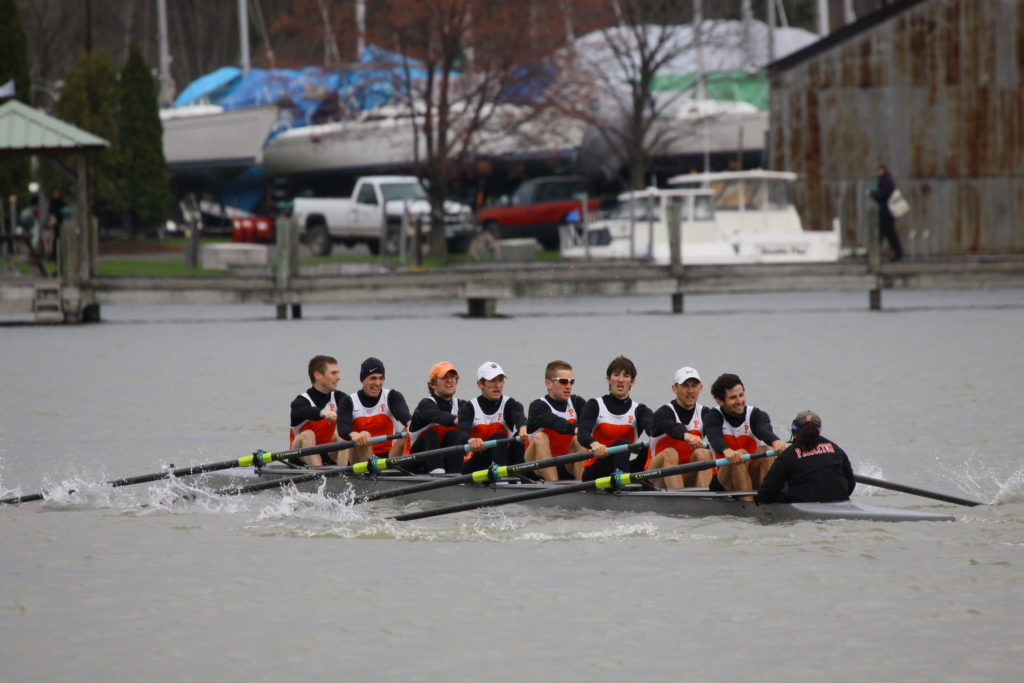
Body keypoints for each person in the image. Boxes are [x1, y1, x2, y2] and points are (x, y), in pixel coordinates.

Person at [703, 373, 786, 500]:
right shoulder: (712, 417)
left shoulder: (756, 414)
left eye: (741, 395)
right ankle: (748, 505)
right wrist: (727, 451)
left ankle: (766, 500)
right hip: (723, 482)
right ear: (719, 400)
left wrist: (776, 442)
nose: (739, 401)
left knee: (765, 450)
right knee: (740, 454)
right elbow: (714, 438)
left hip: (750, 475)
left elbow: (763, 430)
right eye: (733, 398)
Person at [577, 355, 654, 481]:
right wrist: (594, 444)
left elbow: (653, 428)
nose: (621, 380)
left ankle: (636, 481)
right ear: (608, 379)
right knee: (623, 443)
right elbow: (582, 433)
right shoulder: (595, 405)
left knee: (650, 446)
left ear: (632, 381)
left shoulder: (640, 410)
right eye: (616, 375)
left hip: (621, 467)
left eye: (626, 376)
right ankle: (624, 483)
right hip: (595, 472)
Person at [756, 410, 856, 504]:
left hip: (804, 502)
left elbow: (765, 495)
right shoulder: (836, 449)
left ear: (794, 428)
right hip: (840, 500)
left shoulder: (788, 455)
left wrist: (759, 499)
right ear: (819, 429)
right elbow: (851, 484)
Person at [645, 366, 714, 489]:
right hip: (657, 475)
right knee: (670, 453)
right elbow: (672, 427)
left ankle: (704, 500)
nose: (690, 390)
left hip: (687, 474)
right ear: (675, 388)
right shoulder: (663, 413)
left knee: (703, 453)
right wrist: (688, 436)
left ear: (700, 388)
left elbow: (717, 435)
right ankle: (680, 499)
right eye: (685, 386)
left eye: (694, 385)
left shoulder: (706, 413)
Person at [524, 360, 587, 481]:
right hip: (536, 465)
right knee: (540, 437)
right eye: (563, 381)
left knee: (579, 439)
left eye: (571, 382)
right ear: (548, 383)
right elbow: (554, 421)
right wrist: (575, 429)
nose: (568, 386)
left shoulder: (577, 402)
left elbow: (594, 421)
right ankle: (553, 488)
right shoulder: (538, 406)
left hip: (566, 460)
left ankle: (582, 489)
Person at [459, 362, 528, 472]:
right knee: (500, 436)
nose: (498, 385)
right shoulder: (468, 408)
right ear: (480, 384)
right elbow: (461, 433)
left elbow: (519, 416)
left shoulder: (510, 404)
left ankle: (521, 477)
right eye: (492, 380)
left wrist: (523, 428)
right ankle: (504, 479)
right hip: (476, 463)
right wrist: (470, 439)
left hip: (505, 458)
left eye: (500, 380)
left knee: (520, 439)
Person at [288, 355, 351, 467]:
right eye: (333, 373)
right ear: (318, 375)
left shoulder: (339, 398)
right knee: (308, 434)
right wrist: (323, 413)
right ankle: (318, 477)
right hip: (299, 456)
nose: (338, 377)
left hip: (326, 453)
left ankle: (343, 476)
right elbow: (305, 411)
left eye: (338, 373)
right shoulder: (300, 402)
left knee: (343, 434)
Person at [406, 361, 467, 473]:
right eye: (444, 377)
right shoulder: (425, 404)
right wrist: (456, 420)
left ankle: (456, 477)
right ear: (432, 384)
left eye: (452, 377)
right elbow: (437, 415)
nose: (449, 380)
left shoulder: (462, 405)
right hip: (415, 464)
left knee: (454, 435)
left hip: (447, 463)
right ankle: (438, 472)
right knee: (432, 434)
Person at [346, 357, 411, 462]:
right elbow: (342, 426)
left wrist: (410, 423)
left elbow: (404, 415)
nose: (378, 383)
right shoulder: (349, 401)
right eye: (373, 378)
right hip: (360, 456)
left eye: (381, 378)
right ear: (363, 379)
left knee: (409, 428)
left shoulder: (392, 396)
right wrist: (354, 434)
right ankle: (372, 471)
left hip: (390, 456)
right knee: (364, 434)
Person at [870, 164, 904, 261]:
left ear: (883, 170)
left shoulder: (886, 181)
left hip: (887, 212)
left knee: (885, 233)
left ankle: (874, 252)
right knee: (888, 234)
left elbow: (882, 195)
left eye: (878, 171)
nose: (876, 173)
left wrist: (873, 194)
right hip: (887, 212)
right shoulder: (885, 180)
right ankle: (897, 253)